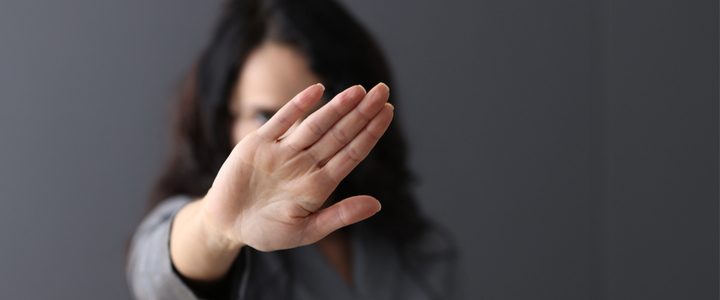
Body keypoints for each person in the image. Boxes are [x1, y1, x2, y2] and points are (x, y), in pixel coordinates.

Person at [126, 0, 457, 299]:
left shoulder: (419, 249)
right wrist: (217, 227)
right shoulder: (211, 229)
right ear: (222, 120)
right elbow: (156, 277)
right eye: (266, 116)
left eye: (322, 113)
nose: (298, 138)